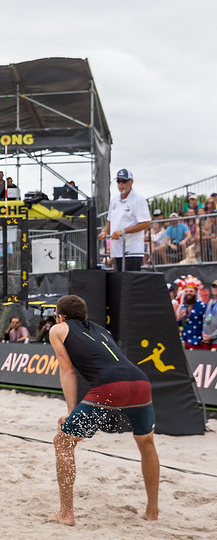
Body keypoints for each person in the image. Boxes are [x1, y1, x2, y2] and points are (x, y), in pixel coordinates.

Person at [49, 294, 159, 526]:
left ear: (60, 316)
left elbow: (68, 371)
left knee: (63, 442)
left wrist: (71, 410)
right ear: (84, 315)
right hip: (140, 382)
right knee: (146, 442)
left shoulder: (58, 330)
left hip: (110, 387)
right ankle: (153, 510)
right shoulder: (102, 331)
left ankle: (66, 513)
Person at [99, 169, 151, 272]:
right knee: (119, 282)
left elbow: (145, 223)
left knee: (130, 282)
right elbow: (110, 221)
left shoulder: (138, 199)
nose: (121, 184)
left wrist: (123, 231)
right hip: (117, 249)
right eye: (118, 181)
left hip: (132, 250)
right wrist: (104, 231)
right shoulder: (114, 201)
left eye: (124, 181)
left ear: (131, 182)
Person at [176, 285, 207, 349]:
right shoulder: (184, 306)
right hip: (185, 340)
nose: (188, 293)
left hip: (198, 341)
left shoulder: (202, 306)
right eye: (186, 291)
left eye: (191, 291)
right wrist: (180, 319)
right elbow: (183, 324)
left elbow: (206, 323)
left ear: (196, 292)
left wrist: (203, 338)